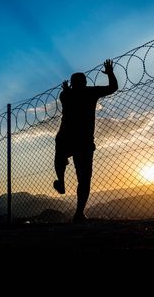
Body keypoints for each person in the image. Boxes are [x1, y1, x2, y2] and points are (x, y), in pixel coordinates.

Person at [53, 59, 118, 223]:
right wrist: (110, 73)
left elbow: (65, 96)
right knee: (84, 179)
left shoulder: (65, 94)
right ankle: (79, 213)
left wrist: (67, 90)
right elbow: (113, 88)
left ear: (72, 83)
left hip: (67, 138)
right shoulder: (90, 92)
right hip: (83, 141)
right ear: (85, 82)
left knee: (60, 157)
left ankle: (61, 181)